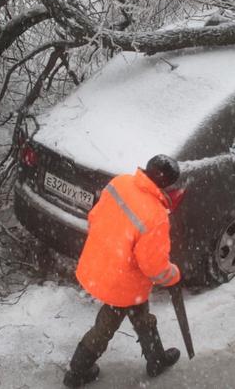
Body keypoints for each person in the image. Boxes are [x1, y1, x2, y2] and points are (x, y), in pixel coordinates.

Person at [63, 154, 183, 387]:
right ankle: (77, 372)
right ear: (166, 184)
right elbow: (154, 267)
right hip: (123, 280)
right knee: (107, 324)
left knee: (140, 312)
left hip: (97, 262)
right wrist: (174, 275)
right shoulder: (156, 216)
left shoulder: (120, 183)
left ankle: (156, 359)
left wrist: (112, 247)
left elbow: (94, 217)